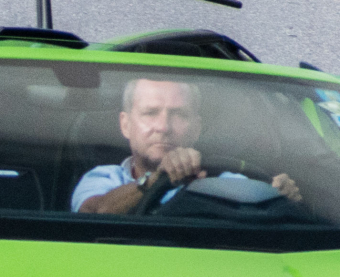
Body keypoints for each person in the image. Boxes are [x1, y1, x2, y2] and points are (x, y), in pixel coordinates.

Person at [70, 75, 303, 213]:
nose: (164, 127)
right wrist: (156, 180)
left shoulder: (226, 184)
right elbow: (94, 213)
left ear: (196, 128)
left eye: (179, 115)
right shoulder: (103, 179)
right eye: (150, 113)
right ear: (125, 125)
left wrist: (280, 196)